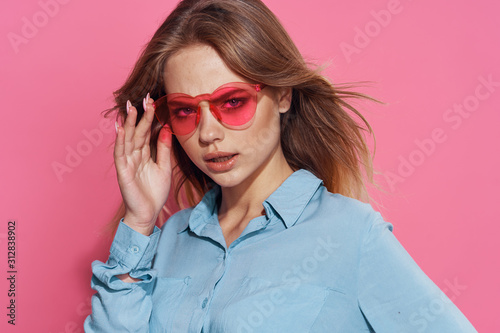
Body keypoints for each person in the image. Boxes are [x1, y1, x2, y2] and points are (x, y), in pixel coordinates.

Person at [84, 0, 477, 332]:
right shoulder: (170, 239)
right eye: (186, 110)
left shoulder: (351, 234)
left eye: (232, 101)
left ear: (283, 95)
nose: (207, 134)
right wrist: (139, 221)